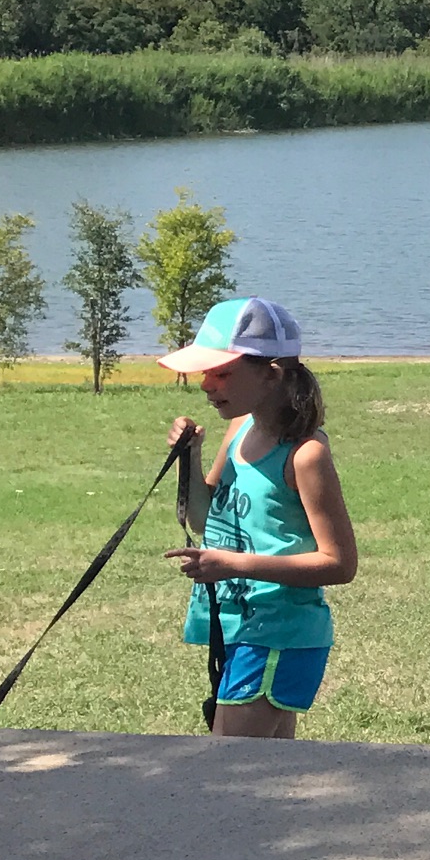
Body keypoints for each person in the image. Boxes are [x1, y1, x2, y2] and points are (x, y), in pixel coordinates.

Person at [160, 297, 357, 739]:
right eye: (206, 373)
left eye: (222, 373)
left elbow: (340, 564)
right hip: (239, 627)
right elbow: (204, 519)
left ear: (271, 374)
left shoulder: (305, 455)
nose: (206, 385)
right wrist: (189, 456)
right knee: (267, 770)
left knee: (226, 766)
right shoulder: (240, 429)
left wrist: (234, 564)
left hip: (277, 634)